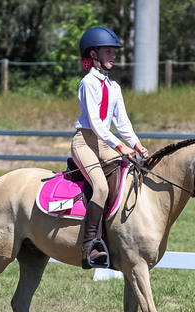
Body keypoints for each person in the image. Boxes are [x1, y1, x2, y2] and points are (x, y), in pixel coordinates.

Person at [72, 26, 148, 269]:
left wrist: (137, 144)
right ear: (93, 54)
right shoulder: (88, 83)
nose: (113, 55)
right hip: (86, 142)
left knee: (129, 176)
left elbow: (122, 121)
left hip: (105, 142)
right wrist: (120, 146)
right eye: (107, 51)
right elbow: (95, 123)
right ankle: (90, 246)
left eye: (114, 51)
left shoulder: (114, 87)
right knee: (102, 188)